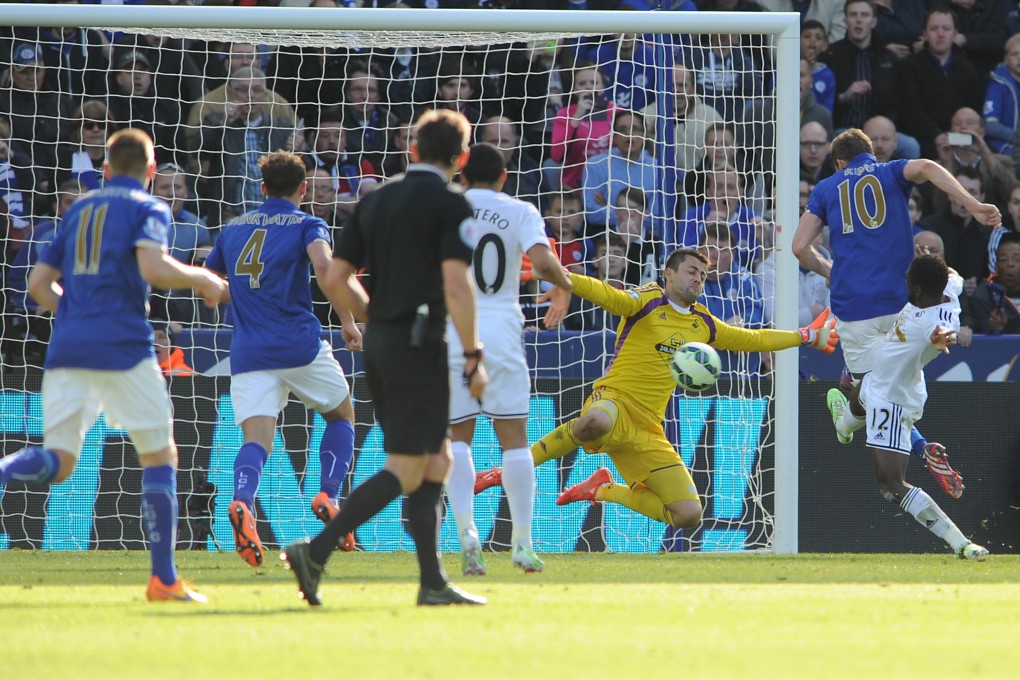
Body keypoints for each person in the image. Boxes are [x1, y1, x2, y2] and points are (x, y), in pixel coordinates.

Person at [0, 129, 228, 601]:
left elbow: (40, 285)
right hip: (124, 345)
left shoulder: (79, 209)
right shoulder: (149, 208)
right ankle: (163, 579)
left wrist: (78, 312)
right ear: (151, 170)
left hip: (68, 347)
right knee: (160, 454)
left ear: (104, 169)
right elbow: (154, 269)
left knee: (59, 462)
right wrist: (205, 278)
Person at [282, 109, 488, 607]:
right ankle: (315, 551)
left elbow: (334, 278)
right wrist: (473, 352)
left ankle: (432, 583)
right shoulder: (450, 204)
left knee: (435, 459)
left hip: (383, 342)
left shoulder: (376, 200)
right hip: (420, 344)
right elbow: (457, 286)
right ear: (460, 158)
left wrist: (376, 316)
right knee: (409, 465)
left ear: (412, 150)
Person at [475, 248, 839, 530]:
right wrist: (564, 275)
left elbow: (753, 338)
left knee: (687, 513)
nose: (698, 279)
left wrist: (806, 336)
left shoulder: (704, 325)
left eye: (703, 274)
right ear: (668, 274)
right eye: (691, 271)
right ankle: (506, 469)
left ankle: (603, 489)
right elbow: (607, 295)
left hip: (648, 429)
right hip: (614, 401)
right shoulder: (647, 300)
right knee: (596, 423)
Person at [793, 128, 1000, 498]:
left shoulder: (826, 188)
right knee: (879, 387)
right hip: (902, 303)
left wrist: (830, 272)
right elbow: (929, 166)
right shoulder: (890, 171)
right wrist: (973, 204)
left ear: (839, 162)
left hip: (854, 307)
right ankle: (858, 418)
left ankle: (919, 447)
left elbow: (799, 247)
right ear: (869, 153)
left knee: (874, 391)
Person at [203, 150, 362, 568]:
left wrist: (239, 298)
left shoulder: (234, 228)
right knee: (341, 414)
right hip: (299, 345)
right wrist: (347, 320)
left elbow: (211, 282)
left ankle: (242, 503)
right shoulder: (309, 223)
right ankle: (329, 493)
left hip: (249, 350)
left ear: (262, 187)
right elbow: (327, 269)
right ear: (304, 188)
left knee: (256, 440)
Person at [445, 143, 572, 577]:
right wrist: (565, 286)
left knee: (457, 438)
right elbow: (541, 262)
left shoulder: (444, 206)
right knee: (514, 438)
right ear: (503, 177)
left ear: (461, 174)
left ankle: (466, 534)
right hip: (501, 327)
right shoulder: (520, 210)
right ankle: (522, 543)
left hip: (450, 325)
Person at [826, 256, 988, 560]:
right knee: (860, 394)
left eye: (907, 281)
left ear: (915, 290)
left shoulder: (935, 321)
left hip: (893, 399)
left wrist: (941, 338)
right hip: (883, 376)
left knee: (890, 483)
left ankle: (961, 543)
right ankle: (843, 426)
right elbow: (952, 274)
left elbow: (939, 330)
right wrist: (931, 258)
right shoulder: (947, 290)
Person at [965, 232, 1020, 335]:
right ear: (995, 266)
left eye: (1017, 259)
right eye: (1003, 259)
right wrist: (994, 328)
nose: (1010, 264)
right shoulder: (983, 296)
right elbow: (980, 330)